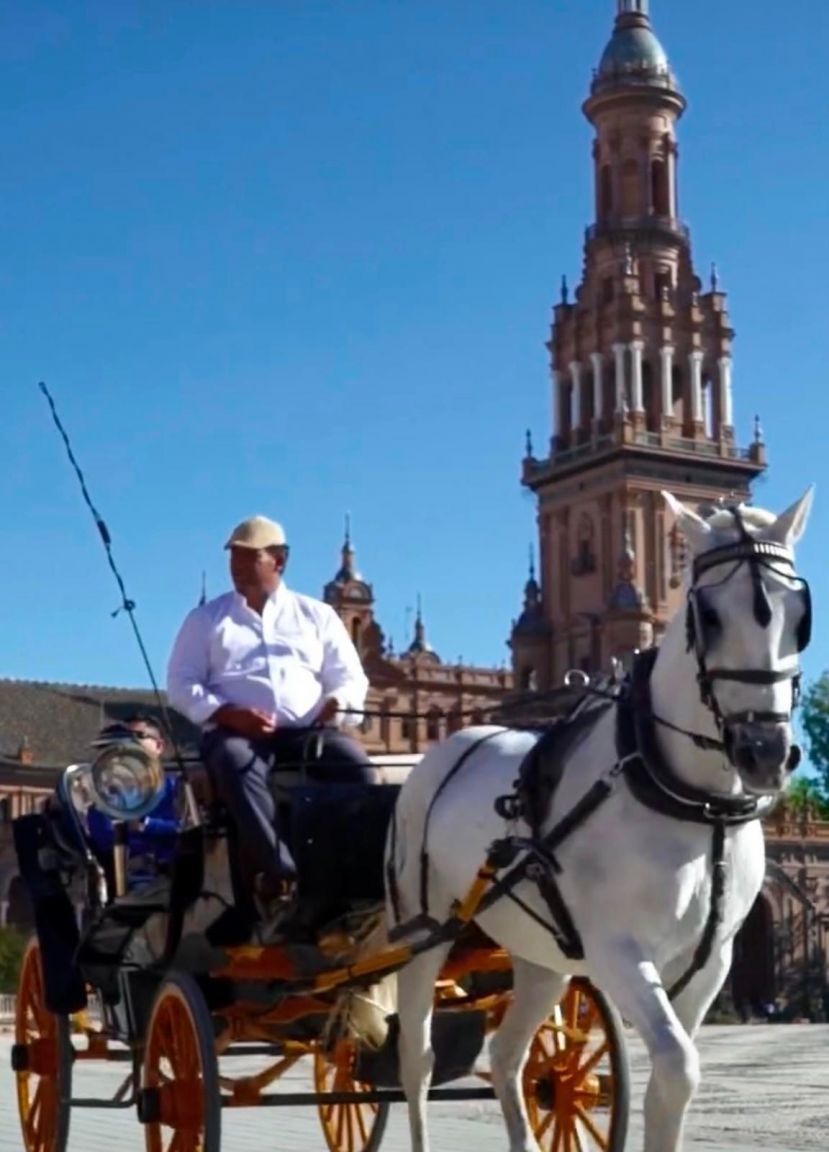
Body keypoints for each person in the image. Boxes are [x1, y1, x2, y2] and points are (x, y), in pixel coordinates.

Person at [166, 515, 371, 933]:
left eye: (248, 557)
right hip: (238, 734)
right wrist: (227, 713)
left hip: (308, 732)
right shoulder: (207, 620)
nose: (236, 566)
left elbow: (352, 678)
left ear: (278, 561)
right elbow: (181, 684)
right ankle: (282, 875)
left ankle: (365, 875)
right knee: (235, 763)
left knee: (357, 767)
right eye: (233, 557)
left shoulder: (317, 616)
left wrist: (337, 704)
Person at [85, 714, 181, 879]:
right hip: (122, 877)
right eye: (125, 737)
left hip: (171, 876)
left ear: (159, 746)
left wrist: (146, 825)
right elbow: (103, 838)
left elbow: (185, 830)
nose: (128, 743)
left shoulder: (177, 788)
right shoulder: (107, 791)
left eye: (138, 736)